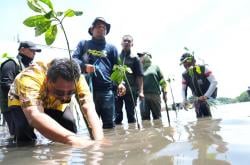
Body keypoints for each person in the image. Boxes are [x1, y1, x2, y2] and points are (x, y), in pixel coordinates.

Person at [8, 58, 103, 146]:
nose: (65, 97)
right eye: (59, 92)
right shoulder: (30, 78)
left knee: (69, 124)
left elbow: (88, 107)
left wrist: (99, 141)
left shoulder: (77, 78)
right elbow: (34, 116)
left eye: (70, 92)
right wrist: (73, 140)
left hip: (53, 103)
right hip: (22, 102)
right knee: (23, 129)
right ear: (47, 80)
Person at [72, 17, 125, 129]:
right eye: (98, 26)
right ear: (92, 29)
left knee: (109, 125)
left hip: (107, 91)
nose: (101, 29)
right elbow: (74, 59)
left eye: (104, 27)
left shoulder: (112, 48)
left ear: (106, 31)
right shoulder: (83, 44)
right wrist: (84, 66)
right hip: (88, 92)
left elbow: (118, 68)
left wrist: (121, 83)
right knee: (92, 126)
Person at [0, 41, 41, 135]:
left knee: (29, 134)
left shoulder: (30, 66)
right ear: (22, 50)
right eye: (32, 51)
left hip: (26, 105)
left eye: (35, 52)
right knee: (18, 134)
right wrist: (25, 95)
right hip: (11, 107)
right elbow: (6, 85)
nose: (34, 53)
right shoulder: (10, 64)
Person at [115, 35, 144, 124]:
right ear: (121, 43)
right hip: (118, 91)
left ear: (132, 44)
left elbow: (139, 76)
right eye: (125, 41)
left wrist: (141, 91)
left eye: (129, 41)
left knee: (131, 116)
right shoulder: (116, 57)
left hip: (131, 91)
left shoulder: (135, 58)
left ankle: (134, 135)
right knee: (117, 116)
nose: (126, 42)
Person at [180, 52, 218, 118]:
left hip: (210, 95)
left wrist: (206, 96)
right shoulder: (185, 75)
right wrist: (184, 100)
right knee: (199, 113)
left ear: (194, 61)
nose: (186, 64)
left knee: (204, 105)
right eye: (184, 63)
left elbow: (214, 82)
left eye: (187, 62)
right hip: (197, 97)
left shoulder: (203, 68)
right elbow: (183, 89)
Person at [137, 52, 168, 120]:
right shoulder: (139, 69)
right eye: (139, 56)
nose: (140, 58)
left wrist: (165, 93)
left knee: (158, 118)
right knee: (145, 119)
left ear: (147, 56)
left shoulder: (155, 67)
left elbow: (163, 81)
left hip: (155, 95)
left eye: (141, 56)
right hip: (143, 96)